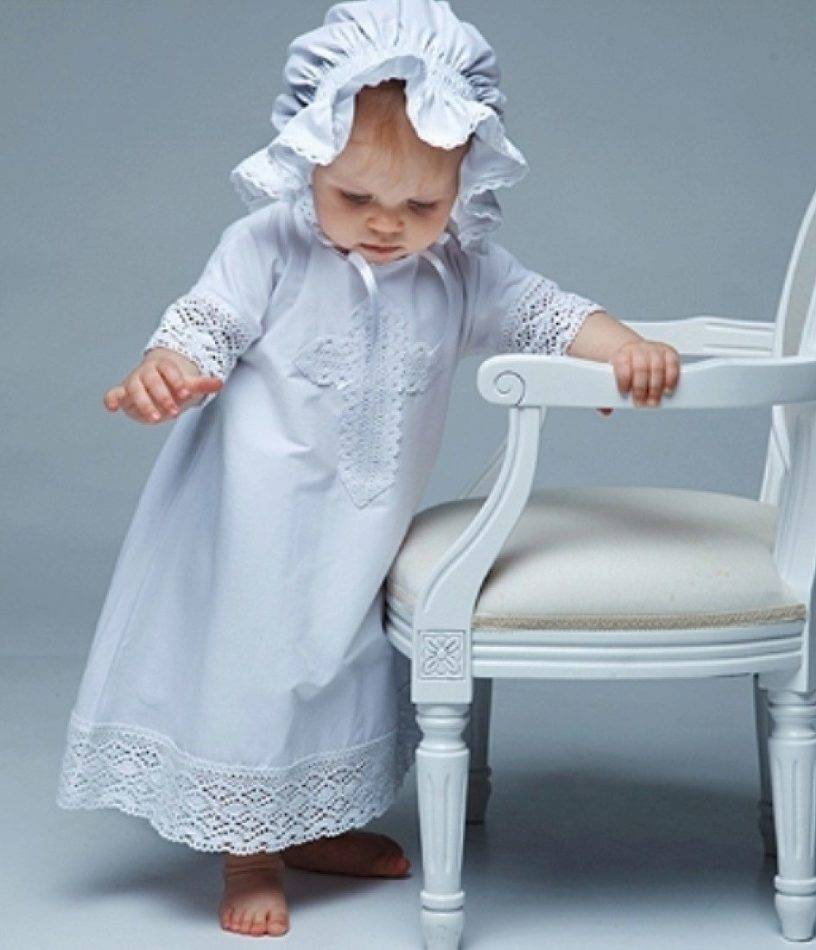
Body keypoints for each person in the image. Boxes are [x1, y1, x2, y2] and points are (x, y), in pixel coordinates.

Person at [55, 0, 681, 938]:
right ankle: (248, 849)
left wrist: (620, 349)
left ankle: (315, 823)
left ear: (464, 182)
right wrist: (167, 371)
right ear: (309, 157)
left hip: (362, 528)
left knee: (346, 661)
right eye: (354, 199)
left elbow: (548, 313)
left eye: (421, 206)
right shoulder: (268, 246)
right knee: (256, 664)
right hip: (252, 519)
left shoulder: (457, 267)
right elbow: (204, 324)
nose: (388, 226)